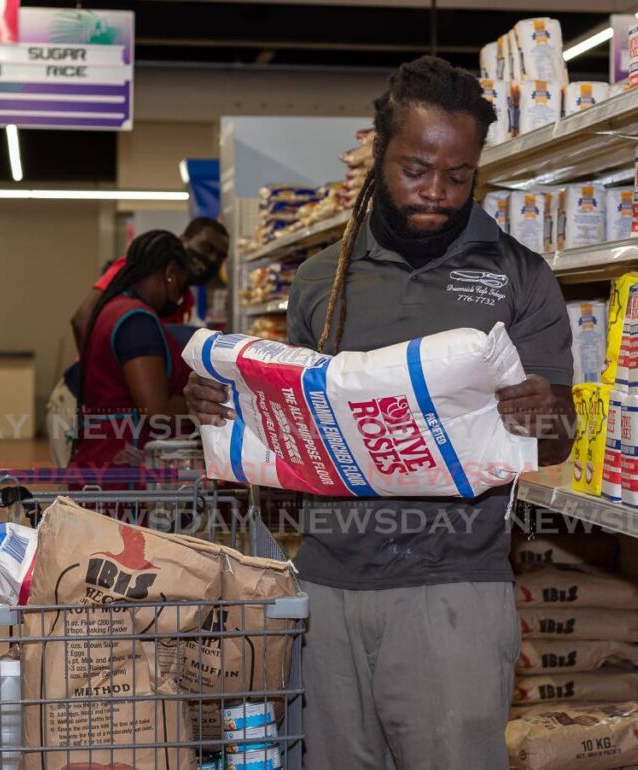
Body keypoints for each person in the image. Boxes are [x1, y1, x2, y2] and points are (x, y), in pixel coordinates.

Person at [186, 57, 574, 770]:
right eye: (416, 169)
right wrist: (223, 406)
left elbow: (556, 443)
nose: (436, 192)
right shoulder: (318, 282)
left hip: (453, 592)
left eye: (459, 176)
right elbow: (290, 431)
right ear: (379, 157)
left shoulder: (520, 278)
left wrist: (544, 411)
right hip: (327, 585)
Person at [72, 230, 195, 473]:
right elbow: (156, 411)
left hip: (104, 458)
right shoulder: (137, 321)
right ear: (170, 274)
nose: (179, 300)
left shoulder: (113, 309)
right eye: (181, 287)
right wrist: (197, 403)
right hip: (125, 467)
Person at [69, 217, 229, 351]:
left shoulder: (184, 297)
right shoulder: (141, 269)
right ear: (183, 241)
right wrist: (99, 374)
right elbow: (82, 317)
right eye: (206, 248)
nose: (212, 259)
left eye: (221, 256)